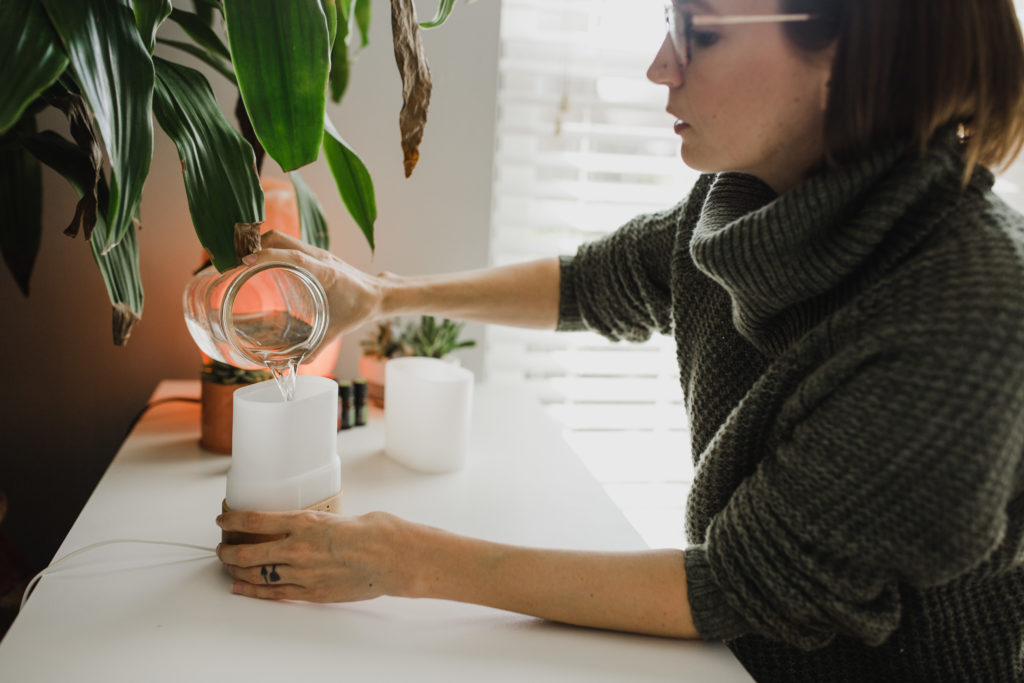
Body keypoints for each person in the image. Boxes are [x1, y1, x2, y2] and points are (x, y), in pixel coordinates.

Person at [216, 0, 1024, 679]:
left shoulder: (965, 310)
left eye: (699, 33)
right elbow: (603, 280)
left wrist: (405, 560)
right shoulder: (751, 195)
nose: (659, 66)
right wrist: (382, 297)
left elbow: (739, 586)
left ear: (848, 48)